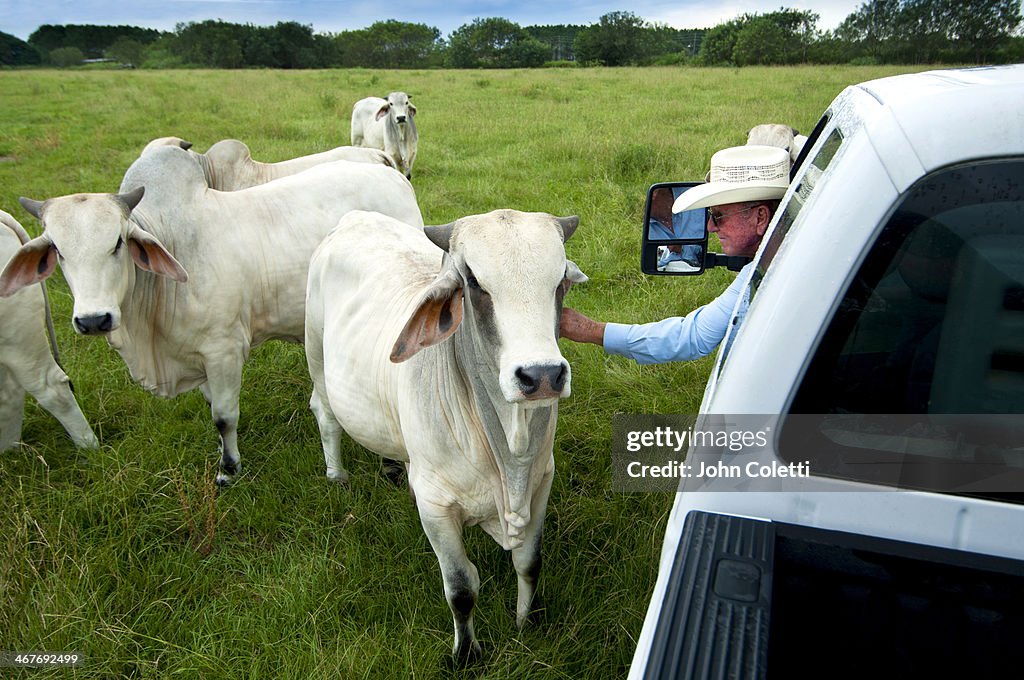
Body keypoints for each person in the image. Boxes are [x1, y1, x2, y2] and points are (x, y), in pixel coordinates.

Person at [560, 145, 790, 364]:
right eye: (709, 215)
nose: (710, 226)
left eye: (719, 216)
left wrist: (593, 330)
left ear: (760, 218)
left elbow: (692, 337)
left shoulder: (767, 272)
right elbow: (695, 335)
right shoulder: (778, 259)